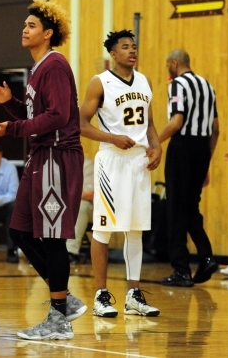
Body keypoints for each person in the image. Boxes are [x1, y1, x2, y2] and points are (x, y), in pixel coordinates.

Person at [0, 0, 87, 340]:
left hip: (57, 156)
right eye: (24, 25)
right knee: (21, 233)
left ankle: (58, 320)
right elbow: (34, 117)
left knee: (52, 239)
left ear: (48, 33)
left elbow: (57, 116)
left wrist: (11, 129)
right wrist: (8, 104)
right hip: (40, 158)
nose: (24, 30)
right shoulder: (38, 69)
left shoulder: (54, 65)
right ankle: (64, 300)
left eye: (31, 26)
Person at [79, 30, 162, 319]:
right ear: (113, 54)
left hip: (138, 161)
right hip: (112, 160)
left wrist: (156, 147)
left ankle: (133, 294)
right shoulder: (99, 82)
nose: (131, 50)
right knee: (104, 229)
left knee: (136, 229)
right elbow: (80, 124)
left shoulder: (145, 81)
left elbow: (150, 123)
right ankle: (101, 295)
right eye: (125, 47)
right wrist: (112, 138)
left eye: (134, 46)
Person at [158, 49, 219, 287]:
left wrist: (154, 143)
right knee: (190, 206)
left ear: (174, 64)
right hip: (203, 148)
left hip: (182, 146)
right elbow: (216, 129)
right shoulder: (208, 86)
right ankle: (206, 256)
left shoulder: (177, 85)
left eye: (167, 66)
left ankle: (181, 270)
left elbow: (176, 122)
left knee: (175, 208)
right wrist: (206, 161)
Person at [66, 157, 94, 262]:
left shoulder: (87, 165)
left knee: (80, 205)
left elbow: (89, 194)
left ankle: (70, 251)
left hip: (88, 207)